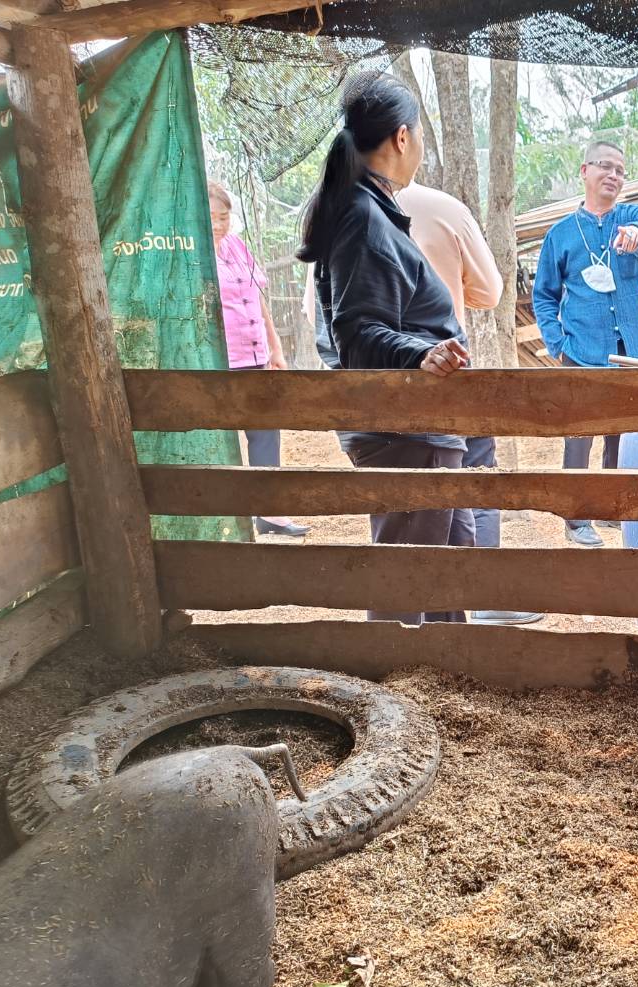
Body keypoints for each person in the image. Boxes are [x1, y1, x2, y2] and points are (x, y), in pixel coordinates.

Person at [303, 182, 540, 624]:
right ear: (399, 146)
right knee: (411, 563)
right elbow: (488, 292)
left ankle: (447, 649)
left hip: (383, 415)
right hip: (418, 412)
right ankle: (397, 659)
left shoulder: (335, 213)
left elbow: (324, 325)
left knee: (447, 544)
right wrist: (420, 349)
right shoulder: (416, 212)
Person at [297, 72, 472, 624]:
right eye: (418, 135)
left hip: (420, 430)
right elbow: (356, 333)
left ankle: (447, 677)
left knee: (446, 577)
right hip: (408, 432)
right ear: (402, 137)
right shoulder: (364, 217)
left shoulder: (366, 210)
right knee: (407, 588)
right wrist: (419, 354)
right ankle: (391, 678)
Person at [532, 140, 638, 547]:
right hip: (582, 350)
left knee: (624, 434)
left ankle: (611, 508)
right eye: (605, 166)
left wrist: (637, 235)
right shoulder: (561, 234)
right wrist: (557, 343)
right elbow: (544, 295)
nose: (613, 175)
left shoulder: (631, 216)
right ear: (584, 171)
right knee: (579, 435)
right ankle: (576, 518)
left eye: (620, 170)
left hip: (633, 350)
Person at [209, 181, 309, 538]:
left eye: (224, 217)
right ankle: (223, 516)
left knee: (266, 432)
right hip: (218, 362)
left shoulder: (237, 246)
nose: (218, 224)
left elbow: (257, 299)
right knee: (220, 438)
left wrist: (274, 347)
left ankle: (271, 513)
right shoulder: (192, 255)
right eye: (211, 217)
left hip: (253, 355)